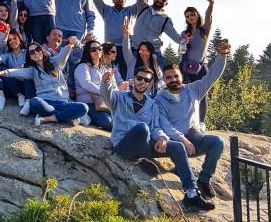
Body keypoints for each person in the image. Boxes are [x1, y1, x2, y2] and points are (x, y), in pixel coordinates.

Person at [100, 67, 215, 211]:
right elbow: (107, 94)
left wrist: (162, 138)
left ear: (150, 84)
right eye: (139, 78)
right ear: (133, 79)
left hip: (145, 145)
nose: (142, 82)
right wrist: (106, 81)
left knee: (177, 146)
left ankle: (191, 194)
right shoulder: (119, 97)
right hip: (124, 145)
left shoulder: (152, 104)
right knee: (142, 128)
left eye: (146, 80)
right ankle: (145, 160)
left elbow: (155, 127)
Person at [155, 43, 230, 205]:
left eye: (175, 76)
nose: (173, 80)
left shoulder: (194, 89)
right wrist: (182, 139)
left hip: (195, 140)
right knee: (180, 144)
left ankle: (204, 180)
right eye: (168, 77)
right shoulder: (159, 100)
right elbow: (165, 125)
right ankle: (184, 177)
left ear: (181, 76)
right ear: (164, 80)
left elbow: (212, 77)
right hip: (176, 144)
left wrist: (222, 56)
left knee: (217, 142)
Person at [0, 37, 88, 126]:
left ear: (42, 50)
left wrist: (70, 45)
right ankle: (66, 117)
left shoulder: (55, 63)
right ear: (30, 57)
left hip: (62, 102)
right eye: (32, 52)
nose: (36, 53)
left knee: (83, 107)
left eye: (38, 49)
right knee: (34, 102)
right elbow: (15, 72)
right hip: (45, 102)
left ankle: (48, 118)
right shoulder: (32, 70)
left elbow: (64, 54)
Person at [92, 0, 152, 76]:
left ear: (125, 0)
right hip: (109, 47)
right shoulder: (106, 10)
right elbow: (97, 0)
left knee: (126, 73)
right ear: (112, 0)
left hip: (127, 47)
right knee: (106, 72)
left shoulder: (132, 10)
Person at [132, 0, 179, 67]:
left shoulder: (165, 19)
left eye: (163, 0)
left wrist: (184, 39)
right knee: (134, 76)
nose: (160, 0)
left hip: (154, 54)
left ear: (166, 3)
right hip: (136, 52)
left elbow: (175, 37)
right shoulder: (143, 7)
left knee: (161, 76)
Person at [181, 0, 215, 132]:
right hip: (186, 67)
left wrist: (211, 4)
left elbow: (209, 16)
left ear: (197, 15)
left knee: (202, 94)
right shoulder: (185, 33)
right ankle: (188, 121)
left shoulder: (204, 30)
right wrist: (184, 42)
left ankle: (201, 122)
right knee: (186, 94)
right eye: (187, 16)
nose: (190, 18)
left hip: (200, 66)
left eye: (192, 15)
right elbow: (181, 51)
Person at [0, 30, 31, 109]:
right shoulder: (8, 55)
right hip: (12, 85)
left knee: (26, 78)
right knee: (1, 69)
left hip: (26, 85)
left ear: (19, 39)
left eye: (14, 38)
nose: (12, 41)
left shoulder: (27, 53)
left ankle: (26, 100)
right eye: (10, 40)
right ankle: (19, 95)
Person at [74, 40, 115, 130]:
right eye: (93, 49)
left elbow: (113, 86)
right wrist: (104, 91)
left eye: (99, 49)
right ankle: (85, 116)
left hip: (105, 103)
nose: (97, 51)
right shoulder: (83, 66)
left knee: (121, 119)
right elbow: (86, 84)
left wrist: (115, 93)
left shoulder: (104, 69)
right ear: (87, 52)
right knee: (108, 122)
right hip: (89, 103)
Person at [122, 17, 164, 96]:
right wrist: (126, 36)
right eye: (141, 50)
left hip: (150, 97)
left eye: (146, 50)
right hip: (132, 95)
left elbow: (161, 82)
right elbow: (126, 49)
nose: (143, 53)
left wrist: (155, 61)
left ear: (150, 52)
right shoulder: (132, 61)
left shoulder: (155, 66)